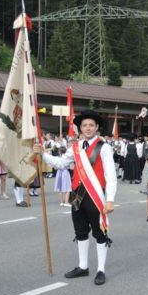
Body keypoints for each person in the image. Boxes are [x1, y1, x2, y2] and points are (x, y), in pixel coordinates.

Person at [37, 111, 117, 285]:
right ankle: (83, 267)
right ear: (80, 128)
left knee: (99, 232)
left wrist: (110, 199)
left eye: (91, 125)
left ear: (96, 128)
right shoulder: (75, 147)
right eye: (84, 125)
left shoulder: (104, 148)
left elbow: (111, 176)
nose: (88, 128)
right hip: (77, 196)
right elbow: (60, 163)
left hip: (95, 196)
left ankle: (101, 269)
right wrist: (42, 154)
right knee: (80, 231)